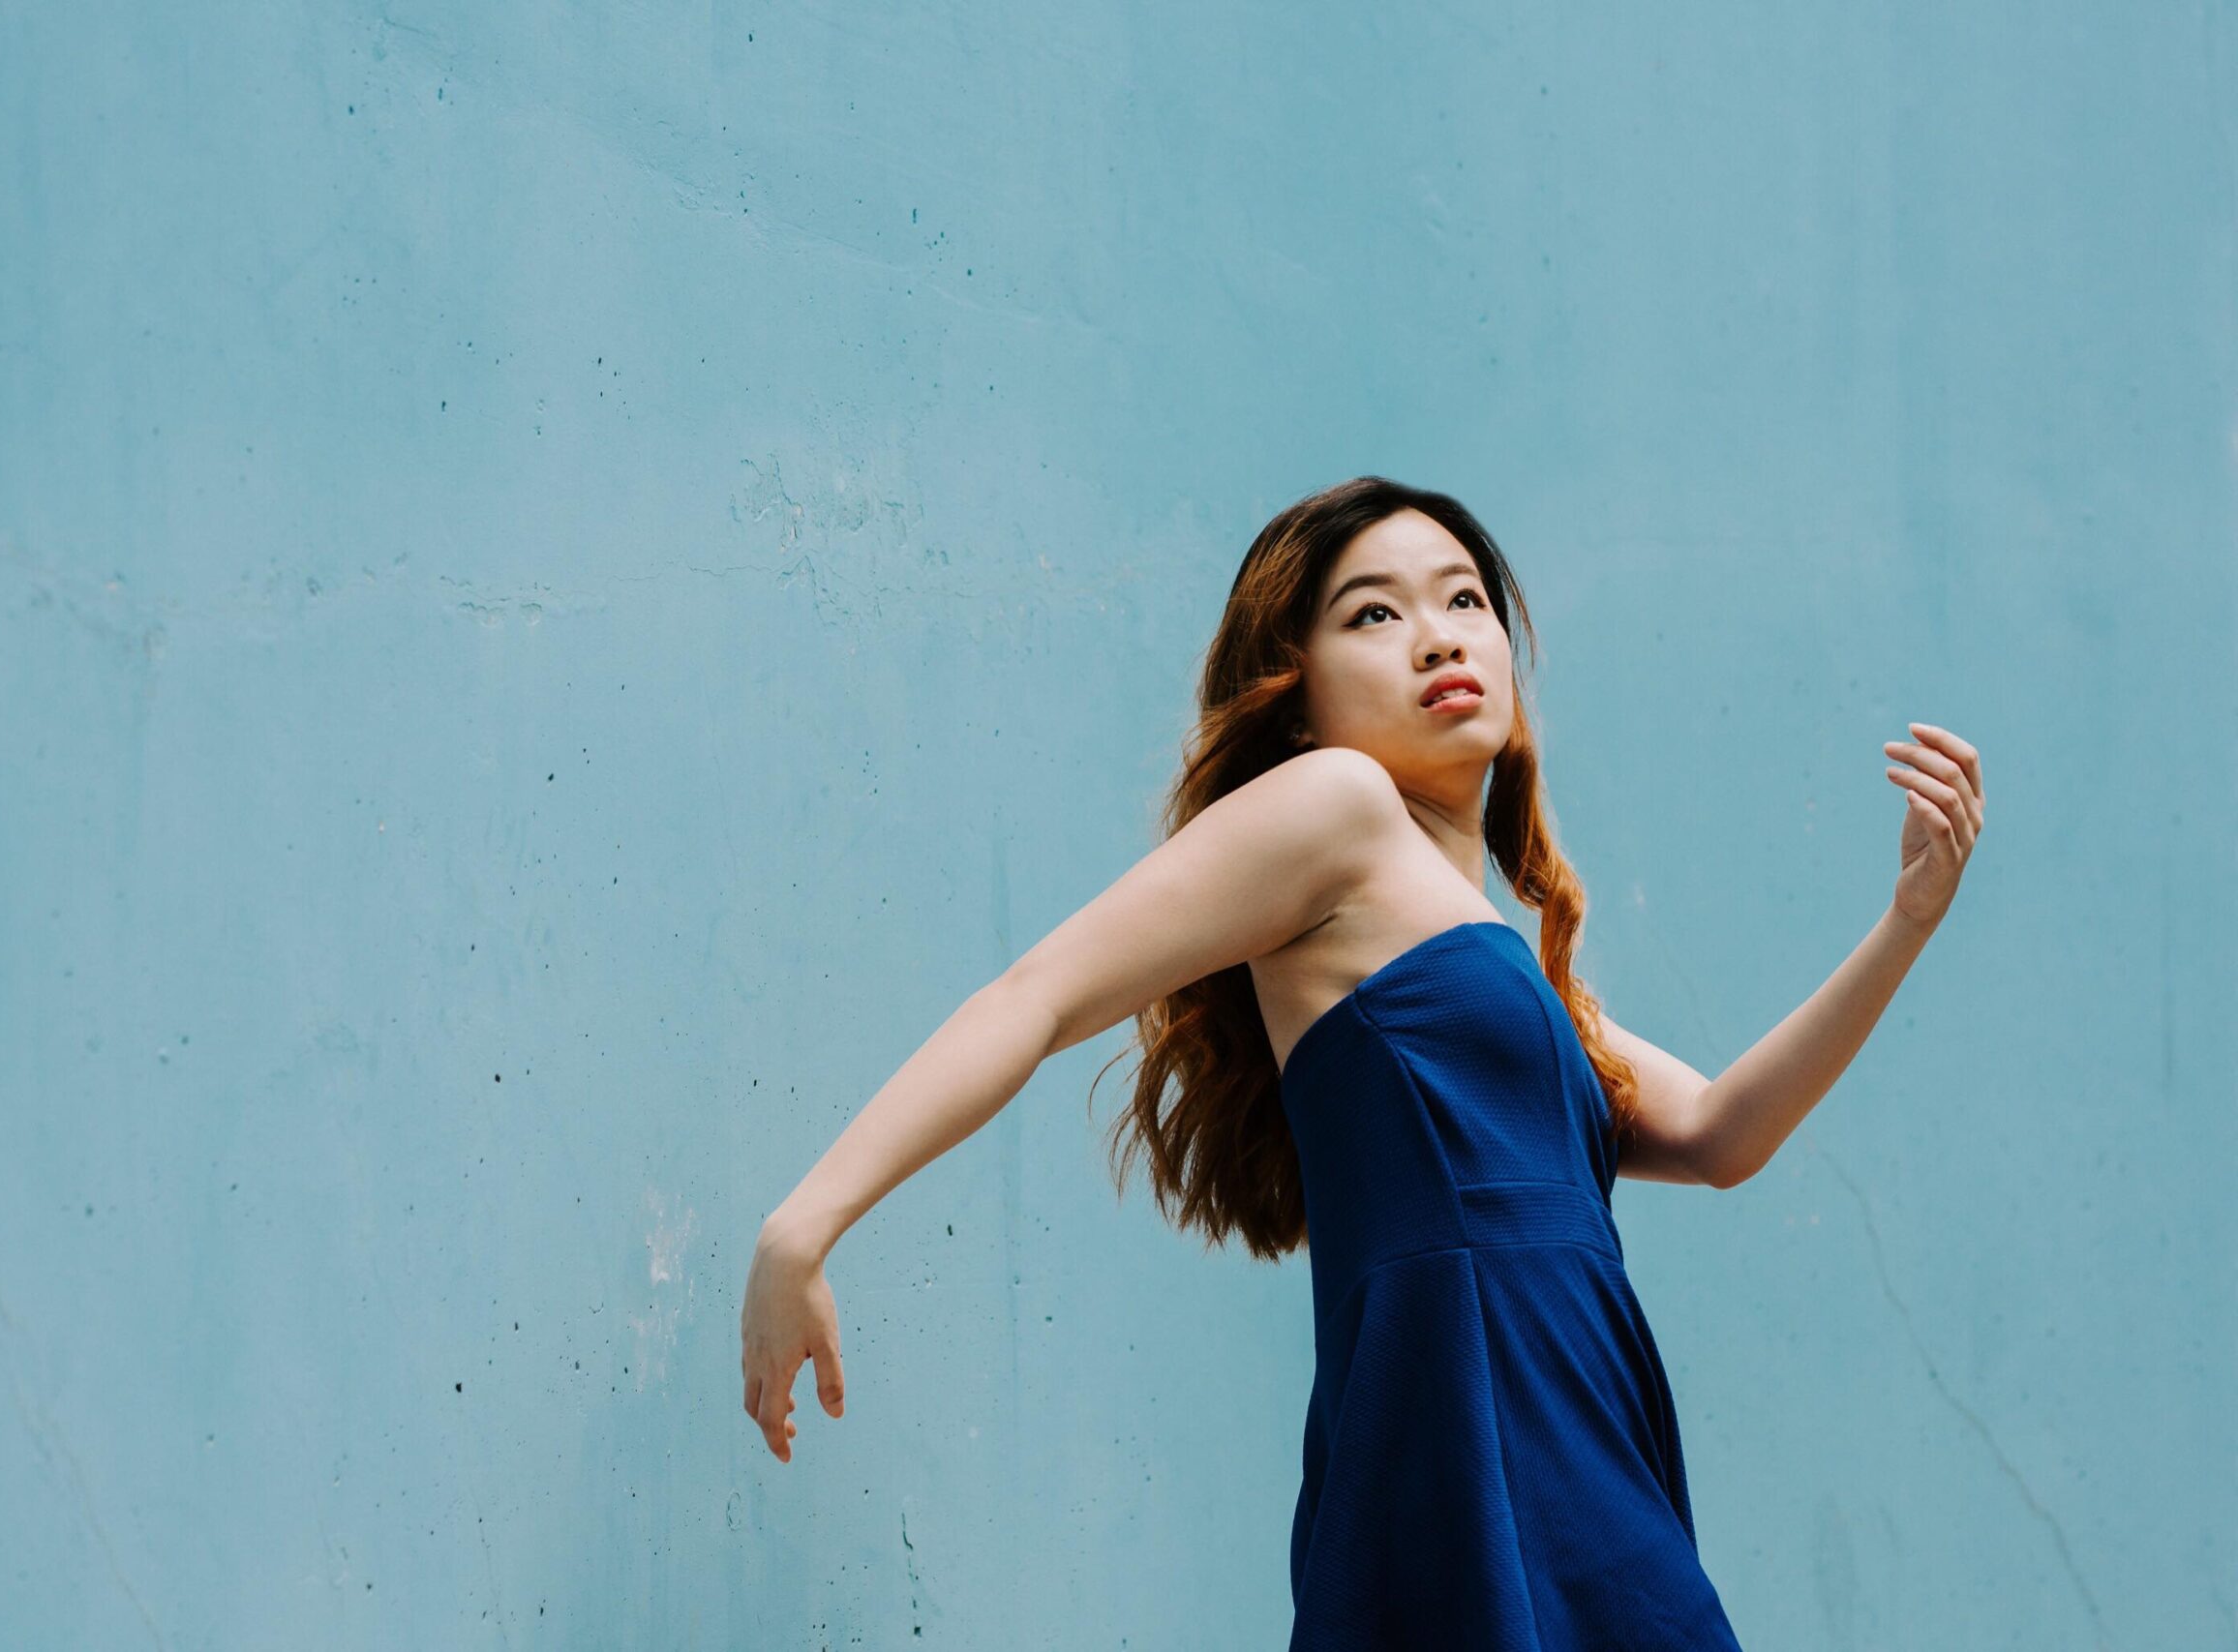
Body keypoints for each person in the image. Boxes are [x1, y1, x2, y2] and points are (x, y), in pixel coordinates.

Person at [739, 475, 1985, 1646]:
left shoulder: (1513, 961)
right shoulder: (1336, 807)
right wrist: (807, 1224)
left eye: (1464, 601)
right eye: (1373, 614)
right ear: (1301, 692)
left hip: (1578, 1424)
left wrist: (1909, 923)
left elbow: (1718, 1134)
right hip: (1466, 1414)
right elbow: (1041, 994)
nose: (1440, 636)